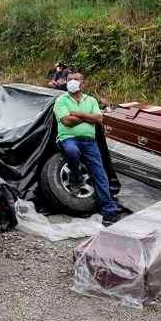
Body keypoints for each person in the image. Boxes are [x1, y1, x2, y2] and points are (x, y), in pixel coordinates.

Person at [53, 72, 121, 223]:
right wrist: (88, 117)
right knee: (72, 151)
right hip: (68, 139)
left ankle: (109, 210)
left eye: (76, 79)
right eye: (69, 79)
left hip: (90, 142)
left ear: (83, 83)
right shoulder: (61, 100)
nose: (72, 82)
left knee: (100, 173)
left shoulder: (90, 100)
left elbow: (99, 119)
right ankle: (76, 177)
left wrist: (77, 113)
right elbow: (67, 121)